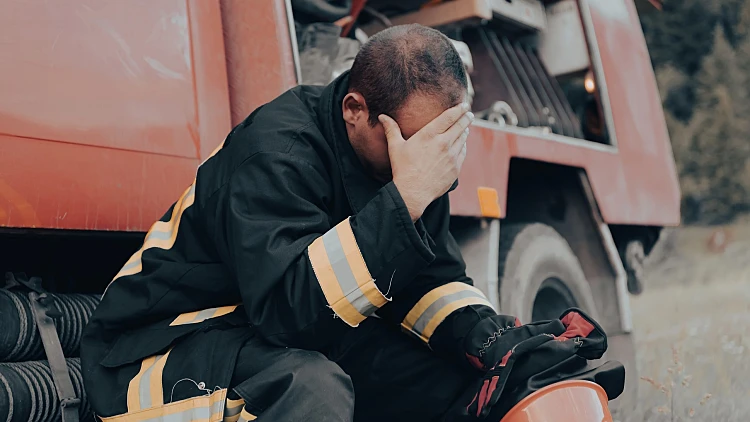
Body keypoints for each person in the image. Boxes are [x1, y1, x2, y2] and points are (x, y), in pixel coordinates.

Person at [81, 24, 620, 422]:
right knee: (312, 392)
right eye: (408, 147)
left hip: (278, 339)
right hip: (161, 349)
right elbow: (289, 313)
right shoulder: (274, 153)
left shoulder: (408, 150)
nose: (426, 161)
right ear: (354, 109)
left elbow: (428, 281)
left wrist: (490, 339)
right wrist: (406, 196)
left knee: (466, 384)